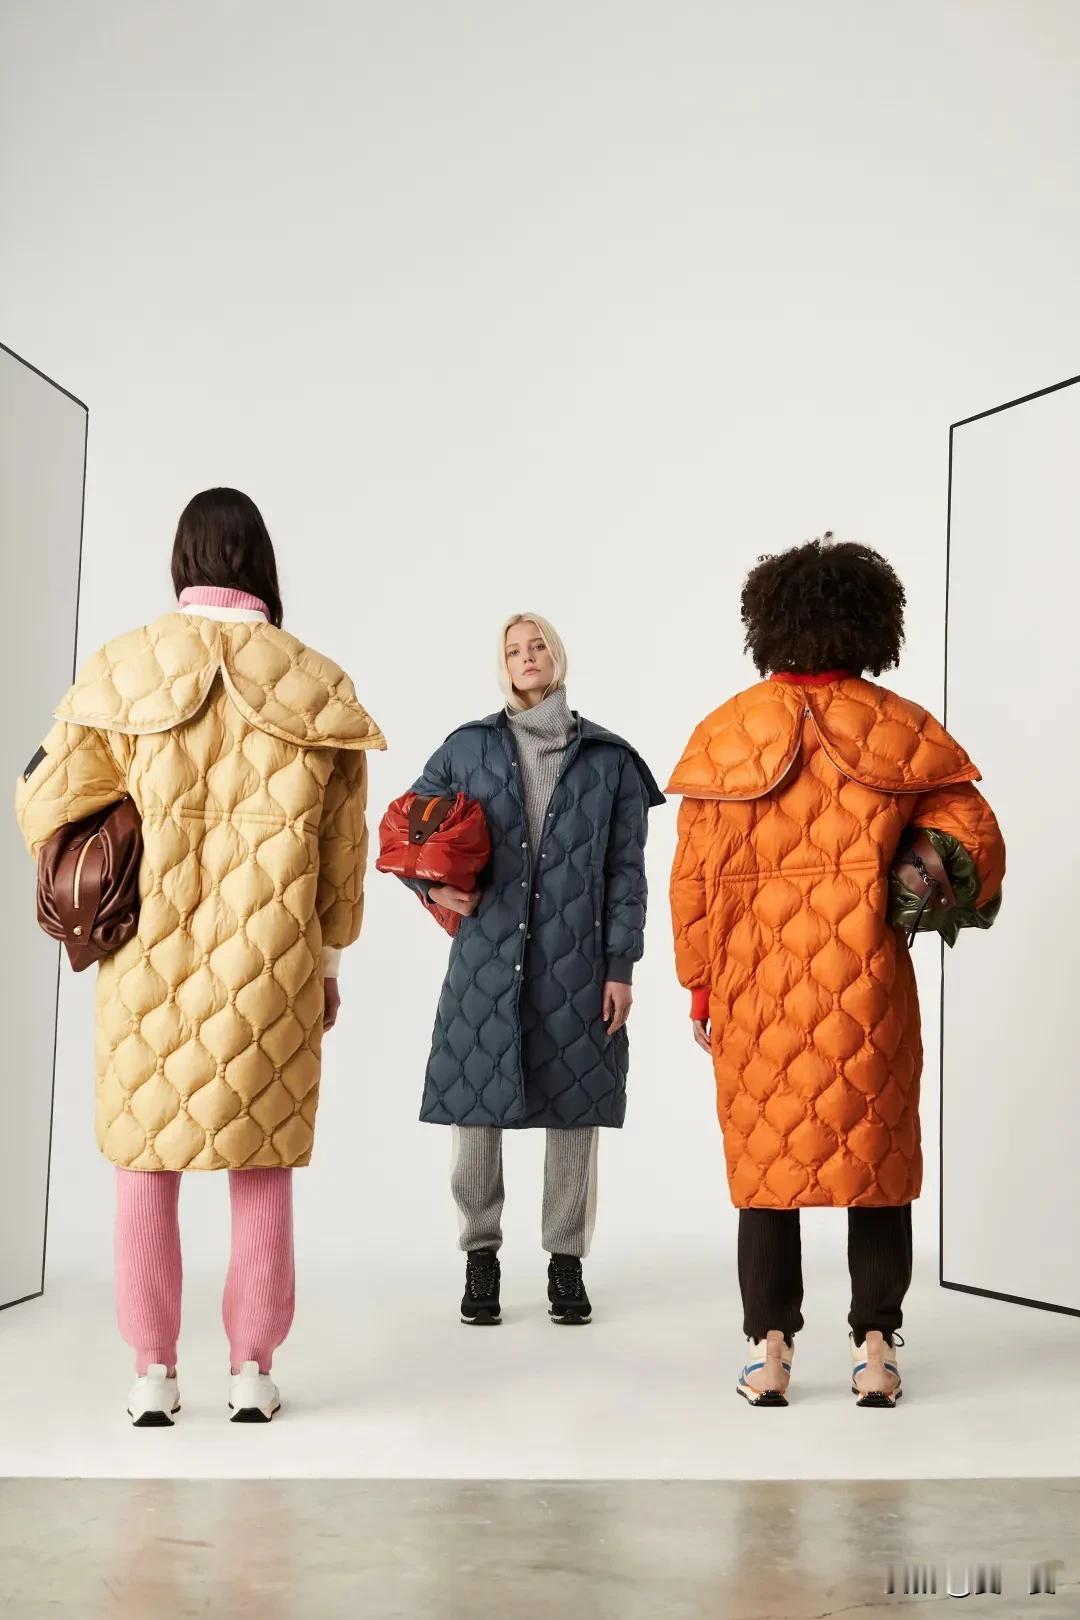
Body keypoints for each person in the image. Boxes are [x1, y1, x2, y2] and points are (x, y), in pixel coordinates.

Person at [15, 487, 385, 1425]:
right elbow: (343, 857)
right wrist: (329, 966)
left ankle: (152, 1373)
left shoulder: (124, 668)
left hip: (145, 963)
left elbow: (44, 803)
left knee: (146, 1161)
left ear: (183, 560)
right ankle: (252, 1370)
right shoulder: (317, 682)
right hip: (274, 964)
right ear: (261, 560)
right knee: (261, 1163)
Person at [667, 535, 1005, 1407]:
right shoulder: (901, 729)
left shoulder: (724, 733)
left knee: (766, 1164)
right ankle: (877, 1351)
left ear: (768, 621)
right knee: (877, 1159)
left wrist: (700, 985)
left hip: (755, 991)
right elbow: (974, 832)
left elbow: (692, 880)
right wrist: (920, 877)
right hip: (868, 984)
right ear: (870, 623)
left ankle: (770, 1352)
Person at [403, 613, 664, 1326]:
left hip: (578, 959)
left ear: (557, 655)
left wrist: (620, 966)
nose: (527, 657)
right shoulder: (467, 748)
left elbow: (626, 873)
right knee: (474, 1108)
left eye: (537, 644)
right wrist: (430, 887)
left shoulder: (610, 760)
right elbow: (407, 826)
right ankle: (480, 1255)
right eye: (514, 650)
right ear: (503, 664)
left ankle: (566, 1262)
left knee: (575, 1110)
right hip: (485, 957)